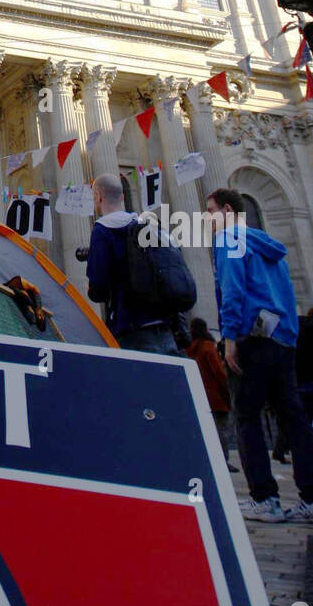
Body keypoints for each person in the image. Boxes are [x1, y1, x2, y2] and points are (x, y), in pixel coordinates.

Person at [206, 187, 313, 524]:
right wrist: (289, 338)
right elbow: (287, 295)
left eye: (210, 212)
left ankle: (265, 498)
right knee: (294, 419)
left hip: (252, 341)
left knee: (248, 418)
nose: (207, 219)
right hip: (282, 340)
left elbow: (233, 289)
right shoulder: (269, 247)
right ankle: (310, 498)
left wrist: (230, 337)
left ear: (226, 210)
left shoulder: (229, 239)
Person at [86, 172, 179, 354]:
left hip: (131, 328)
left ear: (98, 197)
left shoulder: (103, 230)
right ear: (122, 196)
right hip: (163, 326)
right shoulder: (146, 224)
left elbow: (98, 287)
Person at [186, 318, 238, 471]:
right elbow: (218, 372)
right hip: (215, 395)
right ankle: (222, 460)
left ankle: (207, 459)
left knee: (205, 430)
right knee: (222, 430)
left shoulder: (190, 349)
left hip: (199, 393)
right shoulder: (208, 347)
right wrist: (227, 391)